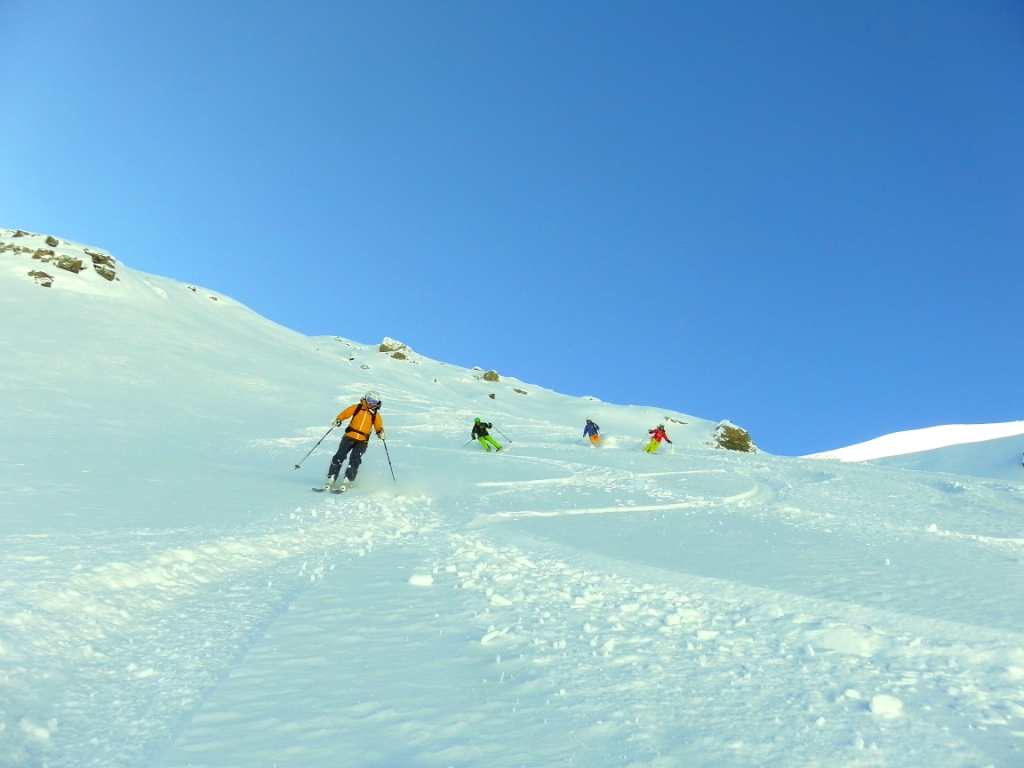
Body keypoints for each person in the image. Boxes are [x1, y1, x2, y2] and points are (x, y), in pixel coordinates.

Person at [322, 390, 386, 491]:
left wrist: (380, 433)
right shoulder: (357, 407)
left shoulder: (375, 415)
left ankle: (347, 480)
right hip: (349, 437)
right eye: (369, 400)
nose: (370, 403)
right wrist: (338, 420)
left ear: (377, 403)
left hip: (362, 441)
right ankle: (331, 478)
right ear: (366, 398)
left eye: (373, 402)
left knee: (355, 459)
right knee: (339, 456)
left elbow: (378, 427)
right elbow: (344, 414)